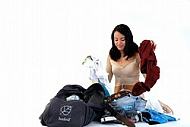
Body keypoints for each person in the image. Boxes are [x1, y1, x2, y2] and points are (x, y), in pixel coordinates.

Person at [106, 24, 173, 114]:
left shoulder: (137, 55)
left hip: (134, 95)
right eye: (116, 40)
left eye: (122, 39)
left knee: (141, 113)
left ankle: (157, 104)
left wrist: (150, 57)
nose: (118, 43)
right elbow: (107, 79)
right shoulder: (111, 56)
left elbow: (146, 76)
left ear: (128, 39)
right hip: (118, 97)